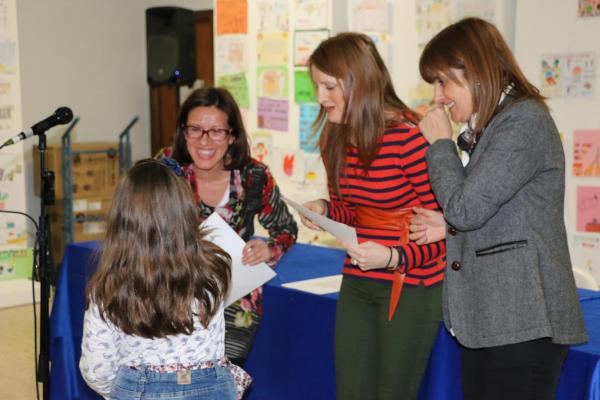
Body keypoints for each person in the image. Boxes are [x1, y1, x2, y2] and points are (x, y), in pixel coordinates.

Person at [413, 17, 588, 400]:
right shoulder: (496, 124)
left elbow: (464, 208)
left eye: (443, 81)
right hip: (492, 317)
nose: (439, 95)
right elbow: (504, 209)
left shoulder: (523, 121)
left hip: (523, 320)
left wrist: (441, 145)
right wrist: (448, 228)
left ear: (474, 71)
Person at [300, 32, 446, 400]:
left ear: (359, 82)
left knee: (392, 392)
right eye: (317, 86)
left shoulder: (409, 140)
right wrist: (325, 210)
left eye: (330, 87)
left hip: (413, 284)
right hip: (360, 276)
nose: (321, 98)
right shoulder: (334, 137)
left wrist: (394, 257)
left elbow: (444, 231)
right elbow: (351, 212)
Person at [79, 159, 251, 400]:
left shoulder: (108, 286)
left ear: (121, 220)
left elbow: (96, 368)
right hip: (211, 388)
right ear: (184, 211)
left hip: (139, 390)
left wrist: (121, 392)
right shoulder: (214, 270)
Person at [158, 87, 298, 367]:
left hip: (235, 300)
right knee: (178, 380)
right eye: (195, 129)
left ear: (232, 135)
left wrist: (268, 249)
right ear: (183, 133)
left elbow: (286, 229)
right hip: (174, 294)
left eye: (216, 131)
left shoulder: (254, 176)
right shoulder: (166, 169)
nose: (204, 141)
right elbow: (141, 223)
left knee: (223, 380)